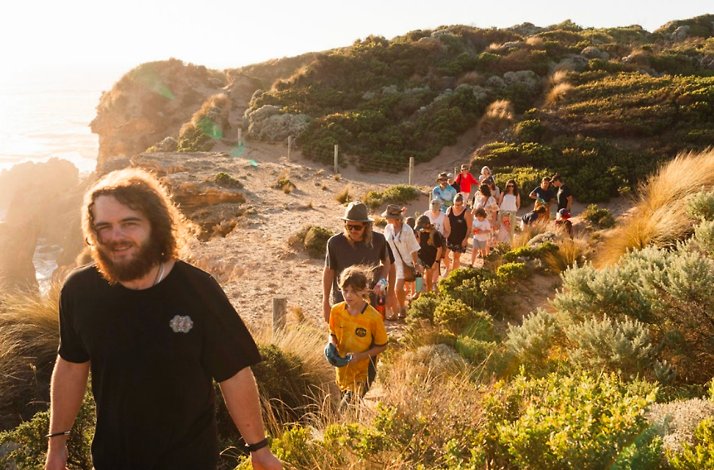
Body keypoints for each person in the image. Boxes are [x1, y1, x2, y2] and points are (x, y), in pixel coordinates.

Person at [45, 168, 281, 470]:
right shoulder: (80, 291)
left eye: (129, 223)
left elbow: (233, 372)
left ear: (156, 225)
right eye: (104, 227)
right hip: (113, 459)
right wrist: (56, 445)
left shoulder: (198, 290)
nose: (116, 236)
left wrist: (258, 448)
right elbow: (71, 365)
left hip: (190, 460)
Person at [327, 265, 388, 404]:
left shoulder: (373, 317)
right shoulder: (336, 311)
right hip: (342, 371)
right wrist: (330, 344)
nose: (348, 295)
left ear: (364, 290)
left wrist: (359, 356)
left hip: (363, 373)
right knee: (350, 414)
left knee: (346, 408)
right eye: (345, 290)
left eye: (353, 291)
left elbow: (382, 346)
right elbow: (332, 333)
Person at [323, 201, 391, 323]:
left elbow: (387, 262)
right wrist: (325, 301)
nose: (353, 230)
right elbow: (329, 271)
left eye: (357, 227)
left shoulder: (379, 240)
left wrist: (383, 282)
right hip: (343, 301)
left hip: (370, 303)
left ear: (366, 226)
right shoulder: (334, 243)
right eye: (349, 226)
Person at [383, 204, 422, 318]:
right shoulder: (387, 229)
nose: (386, 218)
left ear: (396, 218)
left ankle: (405, 307)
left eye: (388, 216)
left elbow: (414, 248)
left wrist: (415, 264)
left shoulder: (407, 230)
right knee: (394, 288)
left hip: (407, 261)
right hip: (393, 263)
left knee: (401, 287)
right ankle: (400, 308)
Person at [443, 194, 472, 272]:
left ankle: (453, 274)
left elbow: (469, 228)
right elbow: (445, 223)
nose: (457, 206)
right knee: (444, 255)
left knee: (456, 258)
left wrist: (466, 239)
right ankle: (447, 268)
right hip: (449, 237)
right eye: (455, 204)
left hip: (460, 238)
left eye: (459, 205)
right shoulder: (449, 210)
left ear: (462, 203)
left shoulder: (466, 213)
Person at [415, 215, 443, 293]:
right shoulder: (420, 232)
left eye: (422, 227)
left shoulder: (435, 234)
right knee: (418, 276)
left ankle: (428, 293)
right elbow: (418, 244)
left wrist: (436, 262)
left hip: (431, 259)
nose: (421, 228)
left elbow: (439, 249)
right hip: (421, 257)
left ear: (427, 225)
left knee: (428, 279)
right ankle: (417, 292)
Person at [423, 199, 447, 284]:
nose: (434, 210)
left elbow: (448, 230)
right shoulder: (426, 214)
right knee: (425, 264)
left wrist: (442, 239)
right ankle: (425, 283)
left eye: (435, 209)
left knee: (436, 263)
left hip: (438, 241)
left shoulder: (444, 216)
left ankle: (433, 282)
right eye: (433, 208)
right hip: (426, 242)